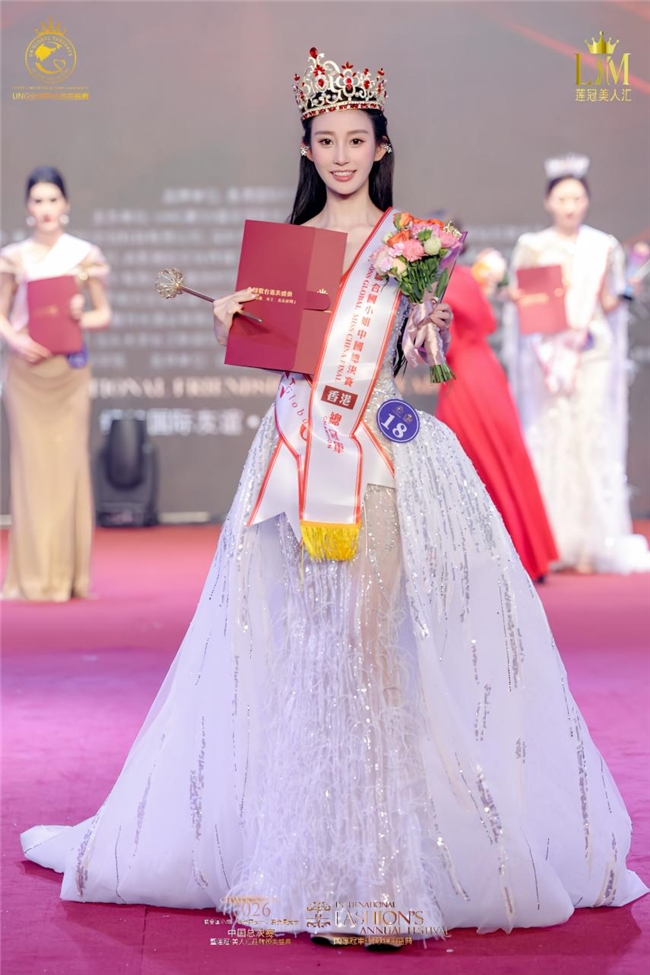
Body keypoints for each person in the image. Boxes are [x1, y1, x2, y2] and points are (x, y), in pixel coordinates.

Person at [19, 53, 646, 950]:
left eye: (358, 139)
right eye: (327, 140)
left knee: (371, 647)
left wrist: (428, 323)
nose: (343, 154)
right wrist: (236, 324)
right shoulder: (289, 250)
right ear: (306, 149)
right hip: (293, 461)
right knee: (306, 651)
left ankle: (383, 879)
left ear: (381, 147)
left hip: (381, 458)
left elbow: (422, 368)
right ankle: (305, 862)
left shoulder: (413, 241)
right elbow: (285, 367)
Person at [503, 154, 649, 574]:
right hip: (548, 356)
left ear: (587, 201)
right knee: (552, 436)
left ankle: (591, 544)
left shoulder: (603, 246)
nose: (570, 206)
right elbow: (521, 296)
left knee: (589, 437)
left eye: (577, 198)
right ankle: (550, 542)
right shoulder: (532, 246)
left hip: (592, 352)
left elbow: (607, 302)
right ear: (548, 202)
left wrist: (627, 291)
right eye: (562, 199)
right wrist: (515, 297)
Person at [0, 166, 111, 601]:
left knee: (68, 471)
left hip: (69, 374)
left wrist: (81, 315)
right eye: (37, 201)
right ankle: (31, 578)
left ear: (65, 204)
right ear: (27, 207)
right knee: (31, 472)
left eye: (52, 199)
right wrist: (16, 340)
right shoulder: (14, 257)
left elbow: (103, 315)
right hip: (27, 375)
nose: (45, 208)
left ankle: (69, 577)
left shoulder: (84, 255)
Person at [436, 251, 558, 581]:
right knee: (500, 458)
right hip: (483, 371)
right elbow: (487, 323)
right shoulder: (463, 278)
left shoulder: (448, 282)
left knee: (474, 460)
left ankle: (496, 558)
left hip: (466, 379)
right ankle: (524, 552)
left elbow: (458, 339)